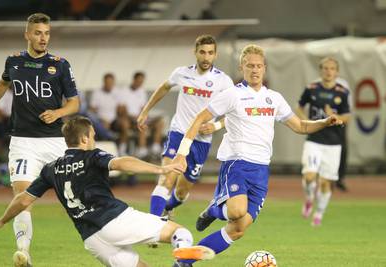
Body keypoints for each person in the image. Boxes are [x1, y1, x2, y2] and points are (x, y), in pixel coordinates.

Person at [170, 44, 343, 267]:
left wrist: (324, 122)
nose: (255, 70)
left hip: (261, 170)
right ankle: (215, 208)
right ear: (242, 67)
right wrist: (182, 153)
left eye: (259, 66)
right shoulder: (232, 94)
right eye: (250, 65)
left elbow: (300, 126)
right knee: (236, 211)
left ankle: (185, 262)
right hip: (237, 163)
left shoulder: (274, 98)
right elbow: (199, 119)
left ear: (265, 69)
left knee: (238, 229)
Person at [0, 116, 215, 267]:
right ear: (84, 138)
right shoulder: (93, 156)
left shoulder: (51, 169)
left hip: (92, 238)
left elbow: (23, 199)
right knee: (181, 234)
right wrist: (161, 168)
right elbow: (122, 163)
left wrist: (3, 219)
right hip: (114, 220)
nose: (94, 139)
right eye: (93, 135)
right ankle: (182, 257)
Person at [0, 13, 80, 266]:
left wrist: (58, 112)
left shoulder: (60, 65)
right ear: (28, 34)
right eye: (38, 33)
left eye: (47, 33)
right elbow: (2, 83)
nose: (43, 38)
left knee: (77, 196)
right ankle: (23, 253)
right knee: (22, 197)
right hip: (22, 142)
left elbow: (75, 103)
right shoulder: (14, 61)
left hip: (55, 142)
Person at [137, 34, 234, 222]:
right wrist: (145, 111)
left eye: (210, 53)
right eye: (202, 52)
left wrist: (216, 125)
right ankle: (152, 226)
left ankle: (167, 208)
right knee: (167, 177)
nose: (206, 57)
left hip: (201, 142)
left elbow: (236, 112)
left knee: (181, 192)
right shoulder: (181, 73)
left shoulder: (223, 81)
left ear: (216, 55)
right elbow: (164, 87)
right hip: (178, 133)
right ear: (195, 52)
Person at [296, 57, 351, 226]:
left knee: (326, 183)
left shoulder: (342, 92)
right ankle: (309, 197)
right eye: (325, 68)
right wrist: (307, 123)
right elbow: (299, 107)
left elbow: (347, 117)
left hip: (333, 143)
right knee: (309, 175)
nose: (328, 71)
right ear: (321, 70)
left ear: (337, 72)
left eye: (332, 68)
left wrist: (334, 118)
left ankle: (319, 214)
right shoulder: (312, 89)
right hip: (314, 139)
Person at [118, 72, 164, 159]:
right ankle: (141, 150)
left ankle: (155, 148)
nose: (140, 83)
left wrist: (145, 116)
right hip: (130, 119)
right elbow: (122, 111)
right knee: (141, 124)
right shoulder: (123, 91)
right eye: (139, 81)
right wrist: (137, 117)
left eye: (142, 82)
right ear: (134, 80)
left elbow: (144, 108)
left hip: (140, 118)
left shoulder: (142, 91)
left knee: (160, 122)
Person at [90, 73, 130, 155]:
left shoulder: (118, 92)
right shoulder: (97, 93)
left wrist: (122, 116)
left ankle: (122, 150)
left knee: (125, 124)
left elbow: (123, 109)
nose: (109, 84)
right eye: (107, 82)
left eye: (111, 82)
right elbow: (92, 110)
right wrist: (100, 120)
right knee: (99, 126)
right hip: (100, 120)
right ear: (104, 82)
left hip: (114, 121)